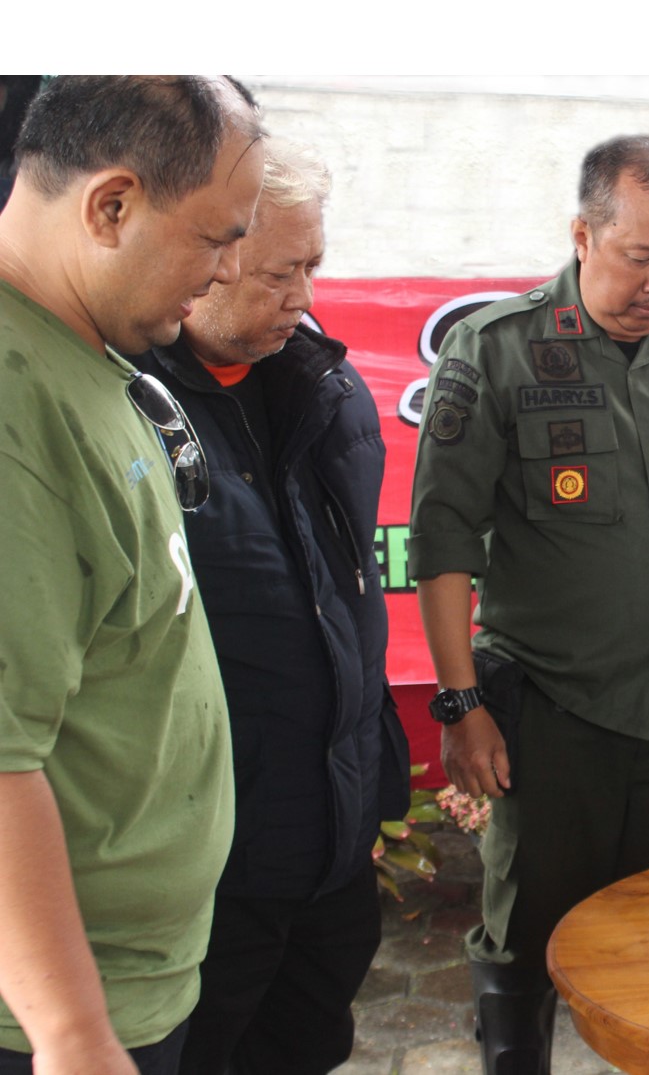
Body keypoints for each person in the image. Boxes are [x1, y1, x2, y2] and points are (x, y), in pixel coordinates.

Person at [408, 133, 649, 1075]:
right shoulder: (498, 351)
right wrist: (461, 704)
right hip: (551, 716)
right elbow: (443, 538)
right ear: (584, 235)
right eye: (640, 257)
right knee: (526, 944)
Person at [0, 76, 264, 1074]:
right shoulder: (13, 400)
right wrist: (71, 1034)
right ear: (111, 205)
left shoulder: (82, 354)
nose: (230, 269)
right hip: (58, 1020)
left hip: (135, 980)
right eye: (214, 237)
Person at [136, 139, 410, 1075]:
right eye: (274, 271)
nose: (300, 295)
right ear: (203, 261)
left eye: (313, 266)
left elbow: (349, 601)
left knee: (309, 1046)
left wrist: (371, 795)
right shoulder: (126, 409)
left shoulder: (325, 386)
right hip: (209, 869)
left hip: (329, 847)